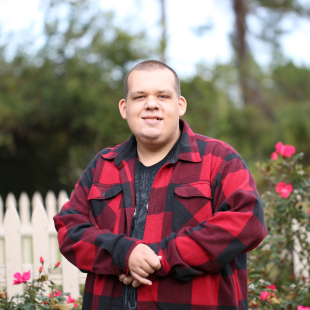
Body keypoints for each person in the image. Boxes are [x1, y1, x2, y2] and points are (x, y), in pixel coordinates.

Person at [54, 60, 267, 310]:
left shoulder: (218, 159)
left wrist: (160, 257)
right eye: (139, 96)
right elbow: (69, 228)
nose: (151, 104)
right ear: (124, 108)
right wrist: (123, 253)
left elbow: (248, 220)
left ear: (180, 105)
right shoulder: (103, 165)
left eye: (163, 96)